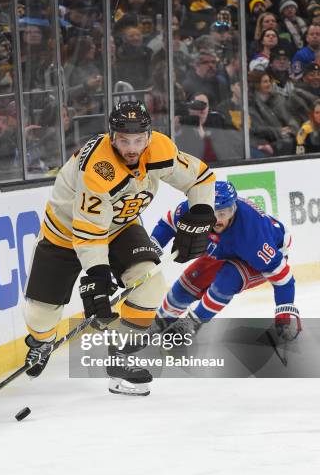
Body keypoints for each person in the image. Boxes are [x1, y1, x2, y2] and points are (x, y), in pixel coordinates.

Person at [23, 101, 216, 396]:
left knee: (150, 286)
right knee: (40, 316)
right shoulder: (99, 168)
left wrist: (201, 213)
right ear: (112, 136)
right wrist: (98, 276)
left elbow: (200, 177)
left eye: (139, 140)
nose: (132, 147)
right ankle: (40, 342)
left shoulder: (160, 149)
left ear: (149, 136)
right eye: (124, 140)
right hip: (63, 234)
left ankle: (120, 357)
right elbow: (89, 232)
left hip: (121, 228)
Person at [149, 181, 301, 345]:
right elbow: (169, 222)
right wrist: (151, 250)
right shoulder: (195, 208)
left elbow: (283, 278)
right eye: (212, 213)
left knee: (227, 279)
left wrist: (284, 316)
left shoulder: (253, 238)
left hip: (258, 252)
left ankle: (192, 324)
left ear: (233, 209)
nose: (216, 220)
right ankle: (159, 322)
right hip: (227, 247)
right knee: (189, 282)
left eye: (223, 213)